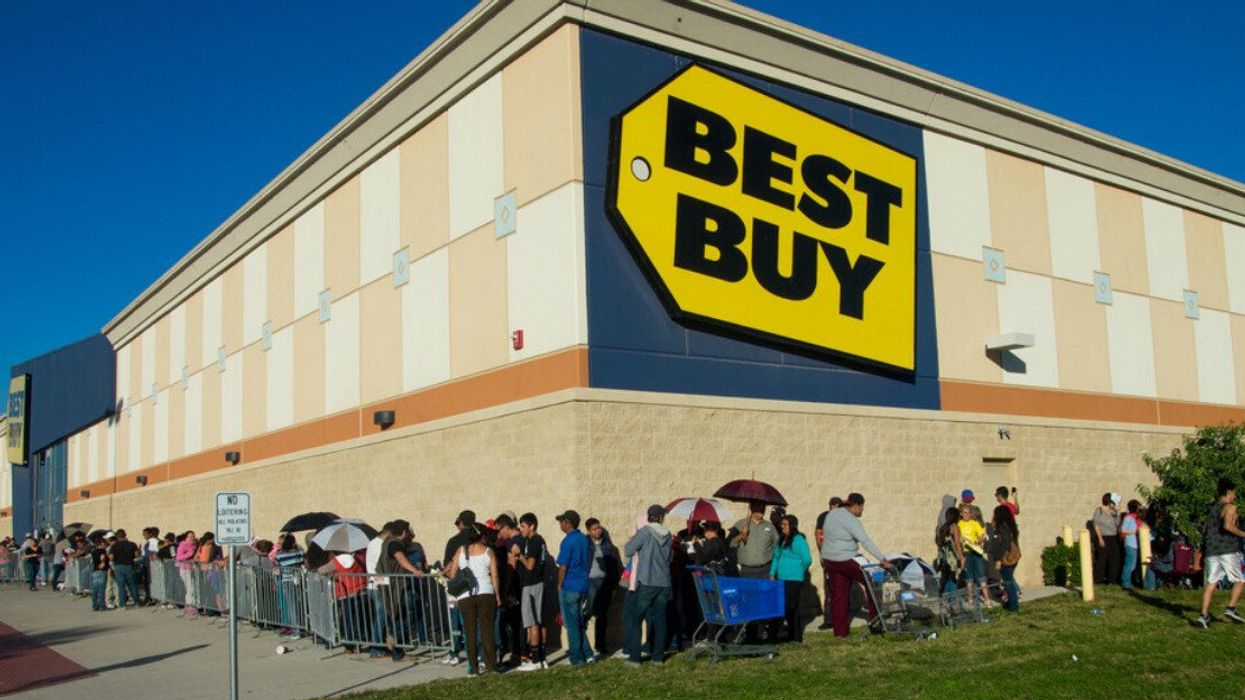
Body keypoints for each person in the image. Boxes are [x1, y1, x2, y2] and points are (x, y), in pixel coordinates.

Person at [820, 493, 891, 638]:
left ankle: (840, 632)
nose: (862, 511)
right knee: (873, 581)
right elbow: (865, 541)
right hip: (847, 558)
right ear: (856, 506)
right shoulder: (851, 519)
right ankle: (877, 622)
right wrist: (882, 559)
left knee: (839, 596)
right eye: (862, 508)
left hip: (830, 560)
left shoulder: (831, 514)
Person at [443, 522, 501, 677]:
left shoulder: (460, 551)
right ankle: (491, 666)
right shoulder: (489, 552)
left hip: (465, 595)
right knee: (487, 631)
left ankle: (473, 669)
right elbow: (494, 575)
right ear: (481, 536)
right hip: (486, 592)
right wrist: (497, 595)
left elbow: (452, 573)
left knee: (470, 632)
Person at [623, 505, 673, 666]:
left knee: (636, 619)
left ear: (649, 517)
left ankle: (635, 658)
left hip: (647, 581)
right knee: (660, 620)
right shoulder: (669, 535)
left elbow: (628, 551)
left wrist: (634, 542)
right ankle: (658, 658)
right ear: (660, 518)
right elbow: (670, 557)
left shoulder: (644, 532)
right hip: (664, 582)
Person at [1195, 478, 1245, 628]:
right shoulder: (1230, 507)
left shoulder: (1211, 509)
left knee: (1211, 583)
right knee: (1240, 579)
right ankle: (1231, 608)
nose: (1235, 495)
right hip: (1228, 549)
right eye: (1234, 492)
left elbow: (1206, 531)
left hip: (1212, 550)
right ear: (1229, 492)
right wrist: (1243, 534)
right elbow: (1228, 526)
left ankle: (1203, 615)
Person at [369, 520, 421, 661]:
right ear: (404, 532)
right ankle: (397, 649)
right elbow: (400, 558)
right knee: (405, 616)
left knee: (399, 616)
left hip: (392, 586)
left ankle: (396, 643)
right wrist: (414, 570)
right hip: (398, 587)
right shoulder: (394, 544)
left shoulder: (388, 542)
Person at [555, 510, 593, 666]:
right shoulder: (584, 539)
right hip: (583, 585)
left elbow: (563, 566)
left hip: (569, 586)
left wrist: (559, 585)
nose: (560, 524)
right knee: (578, 622)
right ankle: (588, 654)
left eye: (561, 521)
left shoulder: (567, 541)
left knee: (571, 625)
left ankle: (577, 658)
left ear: (568, 522)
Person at [512, 512, 549, 671]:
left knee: (533, 622)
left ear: (532, 526)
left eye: (523, 526)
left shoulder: (534, 541)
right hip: (538, 583)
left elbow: (530, 565)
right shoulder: (538, 541)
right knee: (539, 622)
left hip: (532, 584)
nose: (521, 529)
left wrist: (519, 555)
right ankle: (542, 658)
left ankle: (535, 661)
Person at [770, 514, 812, 642]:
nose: (782, 527)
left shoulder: (798, 540)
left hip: (794, 579)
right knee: (783, 606)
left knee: (791, 607)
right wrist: (772, 574)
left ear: (792, 525)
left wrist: (799, 569)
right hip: (781, 578)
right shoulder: (782, 540)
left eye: (785, 524)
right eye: (781, 524)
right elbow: (776, 558)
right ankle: (786, 634)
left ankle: (795, 636)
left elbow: (807, 559)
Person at [584, 517, 619, 660]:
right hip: (590, 582)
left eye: (599, 527)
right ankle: (583, 642)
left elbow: (615, 566)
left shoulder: (608, 545)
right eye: (594, 529)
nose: (598, 531)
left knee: (602, 615)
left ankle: (600, 644)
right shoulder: (585, 544)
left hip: (605, 582)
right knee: (589, 611)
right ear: (589, 531)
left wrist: (614, 585)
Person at [493, 514, 523, 667]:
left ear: (506, 527)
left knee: (513, 624)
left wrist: (504, 589)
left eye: (499, 530)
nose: (499, 534)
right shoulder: (523, 538)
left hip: (514, 589)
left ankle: (517, 654)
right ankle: (521, 653)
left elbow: (512, 566)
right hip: (523, 587)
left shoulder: (512, 543)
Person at [814, 497, 843, 630]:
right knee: (829, 590)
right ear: (831, 506)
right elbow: (818, 534)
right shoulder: (824, 517)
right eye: (835, 506)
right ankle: (828, 620)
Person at [988, 505, 1020, 612]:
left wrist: (998, 560)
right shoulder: (1011, 525)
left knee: (1008, 584)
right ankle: (1009, 603)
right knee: (1008, 583)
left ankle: (1013, 607)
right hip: (1012, 559)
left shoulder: (1002, 526)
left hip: (1005, 559)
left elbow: (1005, 544)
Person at [275, 534, 306, 638]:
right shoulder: (300, 553)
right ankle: (302, 628)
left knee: (292, 607)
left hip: (287, 582)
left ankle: (296, 631)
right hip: (299, 581)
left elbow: (278, 567)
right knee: (301, 605)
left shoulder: (279, 556)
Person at [958, 503, 989, 608]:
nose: (967, 514)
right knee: (969, 577)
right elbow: (956, 540)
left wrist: (978, 541)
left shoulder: (974, 523)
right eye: (964, 512)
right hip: (967, 553)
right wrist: (960, 540)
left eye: (968, 512)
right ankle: (971, 600)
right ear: (961, 514)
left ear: (971, 514)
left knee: (981, 576)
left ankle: (986, 599)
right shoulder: (959, 525)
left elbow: (982, 536)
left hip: (976, 552)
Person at [1092, 493, 1121, 585]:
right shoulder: (1099, 511)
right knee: (1102, 559)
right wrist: (1100, 538)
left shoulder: (1113, 512)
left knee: (1114, 559)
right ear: (1109, 502)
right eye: (1113, 502)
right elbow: (1096, 525)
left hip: (1113, 537)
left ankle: (1112, 580)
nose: (1115, 504)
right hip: (1103, 537)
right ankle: (1098, 580)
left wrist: (1118, 513)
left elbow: (1117, 524)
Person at [935, 507, 964, 596]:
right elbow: (957, 544)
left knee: (946, 579)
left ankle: (945, 601)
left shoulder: (943, 527)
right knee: (953, 579)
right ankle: (953, 602)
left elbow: (939, 544)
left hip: (944, 557)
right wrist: (961, 558)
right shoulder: (955, 527)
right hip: (952, 558)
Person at [109, 529, 141, 608]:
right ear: (125, 535)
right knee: (132, 584)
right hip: (129, 565)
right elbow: (137, 555)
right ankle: (137, 602)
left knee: (121, 586)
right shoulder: (132, 544)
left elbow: (111, 557)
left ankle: (122, 604)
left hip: (118, 566)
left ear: (117, 536)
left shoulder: (114, 546)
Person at [1119, 499, 1142, 590]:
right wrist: (1134, 532)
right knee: (1129, 564)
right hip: (1130, 544)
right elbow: (1123, 531)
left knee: (1132, 565)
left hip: (1135, 544)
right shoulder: (1128, 518)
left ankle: (1129, 581)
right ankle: (1125, 583)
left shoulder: (1137, 518)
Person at [175, 531, 198, 617]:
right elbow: (179, 557)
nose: (192, 538)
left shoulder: (195, 545)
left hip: (193, 569)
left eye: (193, 536)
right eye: (190, 537)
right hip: (185, 569)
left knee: (193, 588)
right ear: (186, 538)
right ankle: (190, 606)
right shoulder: (183, 544)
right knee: (190, 588)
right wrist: (190, 553)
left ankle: (192, 605)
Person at [89, 536, 110, 611]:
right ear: (101, 543)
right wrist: (103, 561)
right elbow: (103, 560)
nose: (105, 545)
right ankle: (102, 606)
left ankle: (94, 605)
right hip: (102, 571)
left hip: (95, 571)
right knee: (101, 589)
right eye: (104, 543)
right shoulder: (103, 551)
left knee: (95, 590)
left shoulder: (93, 551)